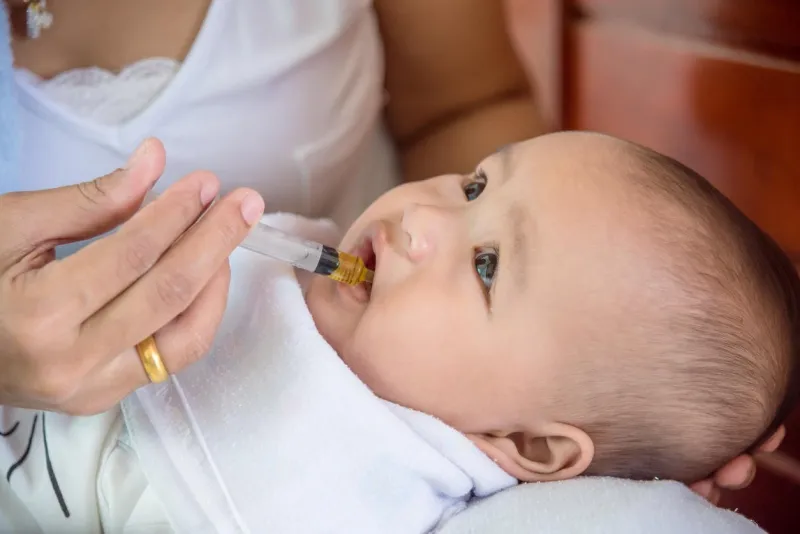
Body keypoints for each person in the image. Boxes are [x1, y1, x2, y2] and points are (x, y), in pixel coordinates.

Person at [0, 0, 781, 528]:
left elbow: (465, 103)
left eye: (486, 265)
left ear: (536, 451)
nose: (424, 218)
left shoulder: (358, 497)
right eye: (475, 182)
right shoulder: (289, 281)